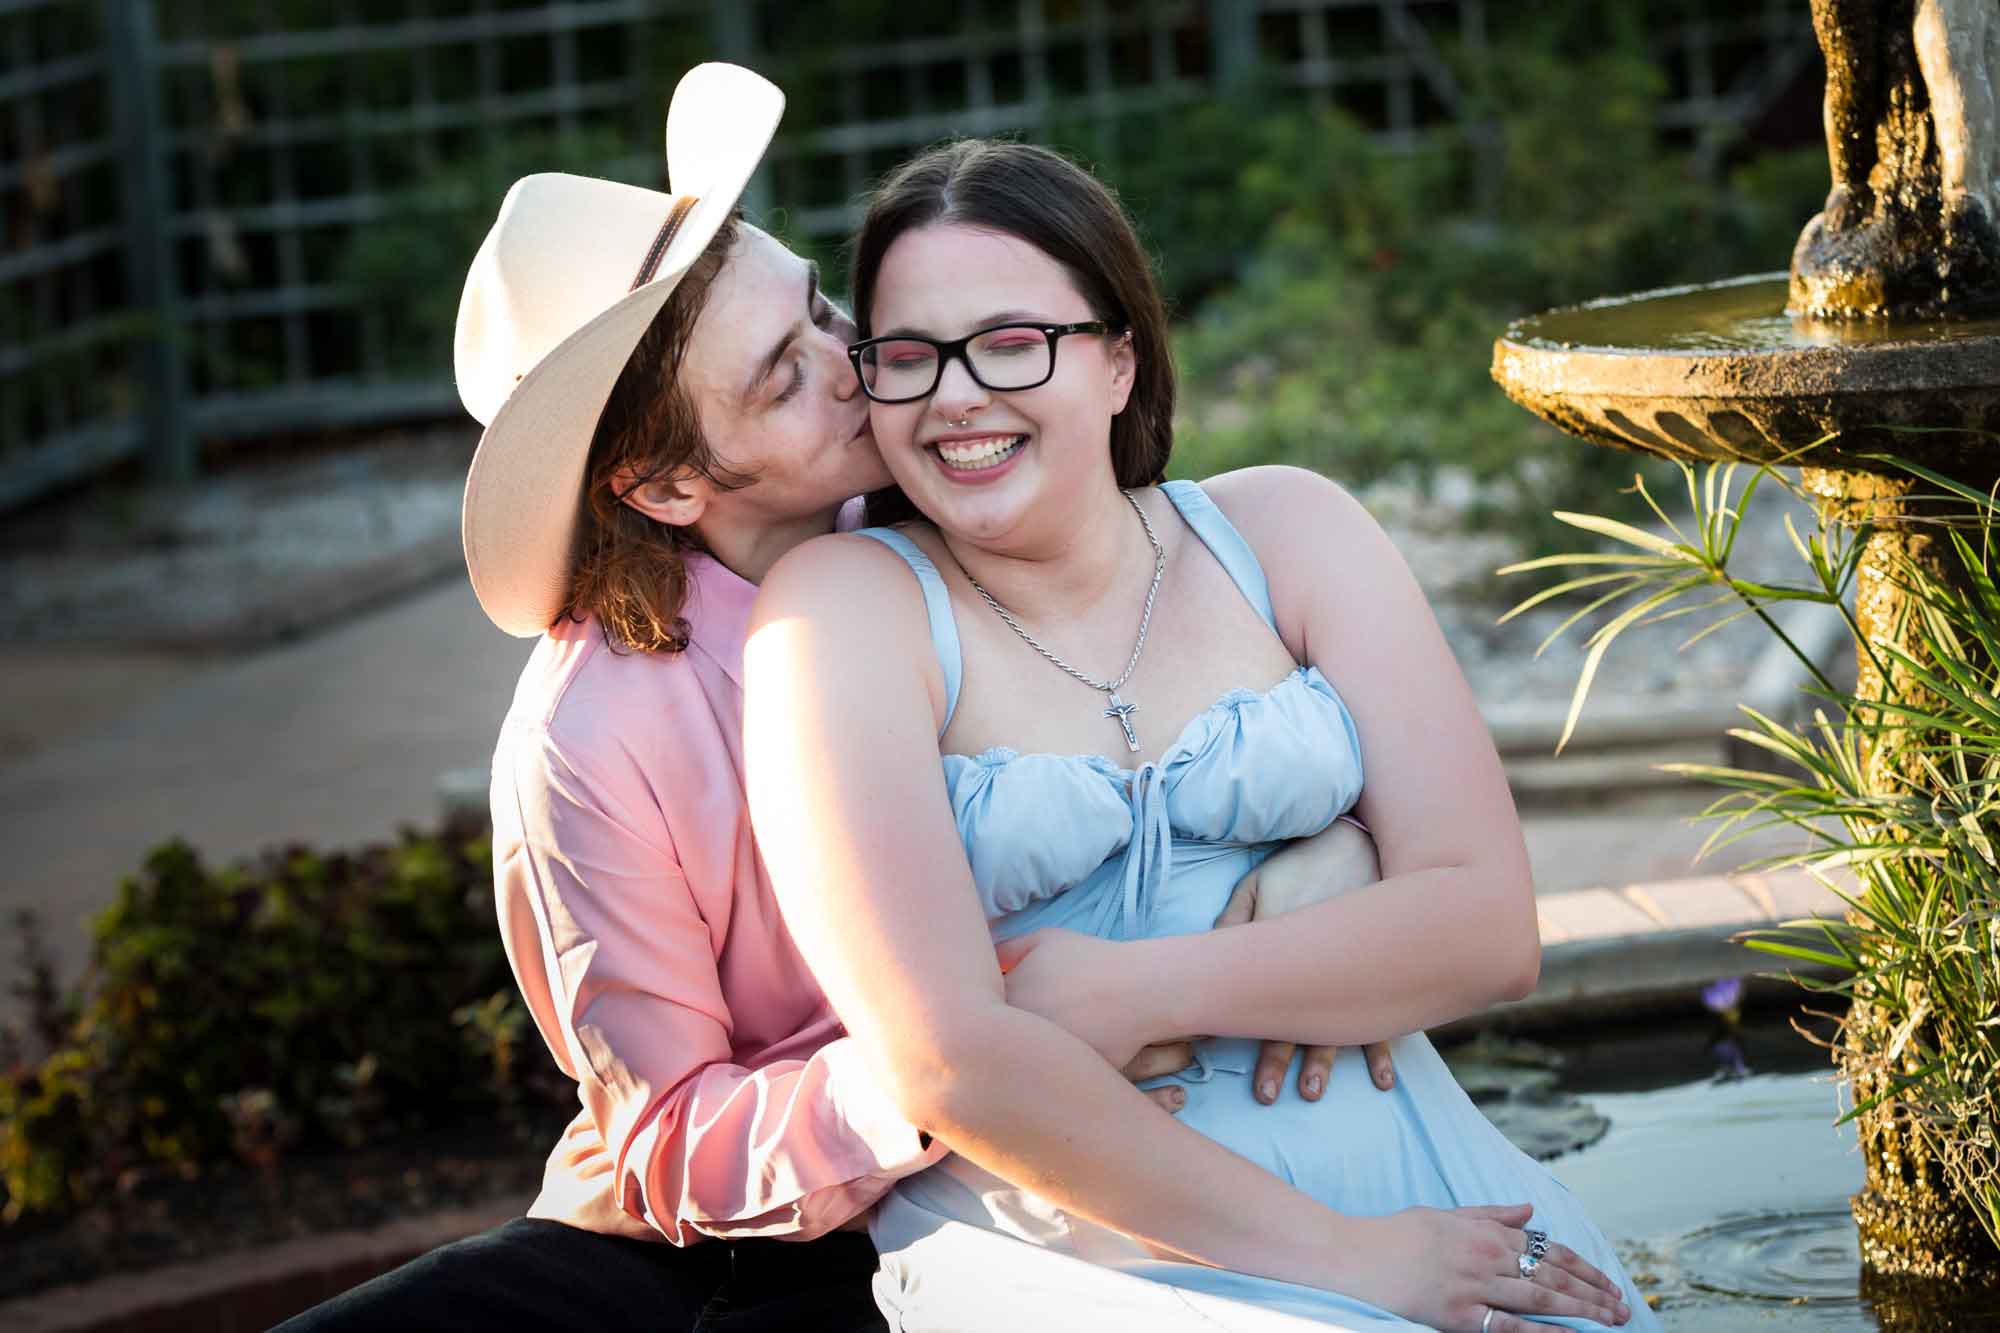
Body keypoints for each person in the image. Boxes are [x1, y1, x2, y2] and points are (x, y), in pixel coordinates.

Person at [279, 64, 1389, 1333]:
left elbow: (1176, 722)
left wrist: (1330, 844)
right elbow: (669, 1138)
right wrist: (948, 1068)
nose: (855, 363)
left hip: (1054, 1171)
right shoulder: (590, 737)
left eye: (818, 309)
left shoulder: (960, 508)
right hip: (724, 1254)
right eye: (780, 376)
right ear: (663, 483)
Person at [740, 139, 1662, 1331]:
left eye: (1013, 342)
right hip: (1087, 1243)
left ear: (1119, 359)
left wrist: (1132, 988)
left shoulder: (1288, 529)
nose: (955, 395)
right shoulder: (841, 608)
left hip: (1415, 1174)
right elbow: (949, 1060)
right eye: (907, 358)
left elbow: (1488, 926)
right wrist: (1349, 1259)